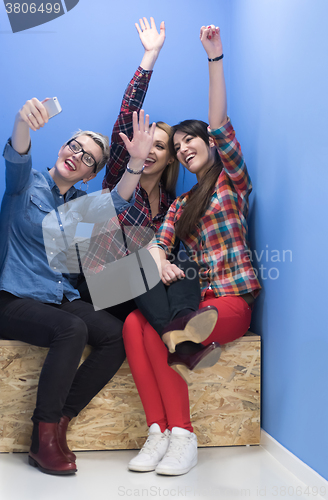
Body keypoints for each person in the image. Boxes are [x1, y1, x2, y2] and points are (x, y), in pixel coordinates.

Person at [122, 24, 261, 476]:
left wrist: (214, 57)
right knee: (133, 322)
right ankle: (158, 431)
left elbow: (219, 124)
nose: (182, 150)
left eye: (189, 141)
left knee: (174, 331)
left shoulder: (231, 181)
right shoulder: (181, 203)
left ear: (207, 144)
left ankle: (183, 435)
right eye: (176, 147)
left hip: (231, 299)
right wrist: (160, 259)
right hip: (195, 300)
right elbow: (158, 243)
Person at [0, 97, 156, 475]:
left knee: (116, 334)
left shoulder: (83, 204)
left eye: (89, 159)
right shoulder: (27, 186)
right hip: (13, 298)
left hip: (58, 298)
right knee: (72, 329)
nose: (77, 156)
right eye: (75, 147)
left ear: (89, 175)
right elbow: (17, 154)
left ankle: (60, 420)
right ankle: (44, 439)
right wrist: (24, 121)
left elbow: (119, 202)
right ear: (61, 148)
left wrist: (136, 162)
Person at [79, 17, 181, 321]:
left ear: (171, 158)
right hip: (97, 288)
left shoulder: (170, 204)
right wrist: (150, 56)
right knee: (146, 264)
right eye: (146, 142)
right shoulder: (120, 179)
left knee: (179, 267)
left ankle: (180, 334)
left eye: (159, 146)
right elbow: (128, 111)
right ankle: (172, 332)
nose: (149, 151)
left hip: (140, 295)